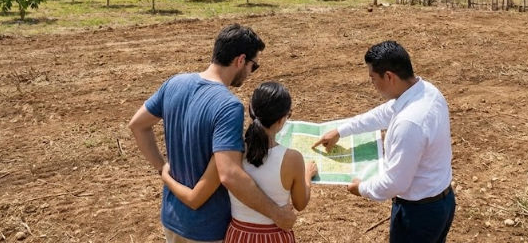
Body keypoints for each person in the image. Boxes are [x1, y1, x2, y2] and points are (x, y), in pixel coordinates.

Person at [128, 24, 296, 243]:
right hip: (207, 229)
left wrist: (162, 168)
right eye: (253, 66)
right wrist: (277, 213)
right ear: (240, 60)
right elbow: (229, 175)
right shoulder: (228, 106)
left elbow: (138, 125)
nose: (250, 73)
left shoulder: (174, 83)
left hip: (172, 219)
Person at [312, 40, 455, 243]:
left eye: (373, 78)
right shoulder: (426, 91)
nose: (372, 84)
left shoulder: (409, 123)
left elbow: (395, 183)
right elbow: (383, 114)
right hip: (441, 201)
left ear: (389, 76)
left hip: (418, 215)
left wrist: (361, 188)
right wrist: (341, 130)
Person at [161, 82, 317, 242]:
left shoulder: (230, 152)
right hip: (274, 235)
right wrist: (307, 175)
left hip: (238, 234)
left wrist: (165, 175)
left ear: (251, 110)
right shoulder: (292, 158)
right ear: (281, 121)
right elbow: (300, 203)